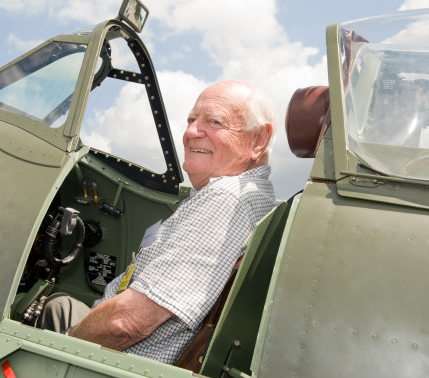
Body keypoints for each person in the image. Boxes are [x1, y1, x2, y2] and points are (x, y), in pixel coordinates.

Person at [37, 80, 277, 364]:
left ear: (259, 139)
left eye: (214, 122)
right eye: (191, 120)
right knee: (59, 305)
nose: (190, 132)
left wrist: (60, 349)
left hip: (119, 361)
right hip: (131, 351)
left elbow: (125, 323)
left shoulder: (224, 199)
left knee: (48, 317)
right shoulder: (258, 195)